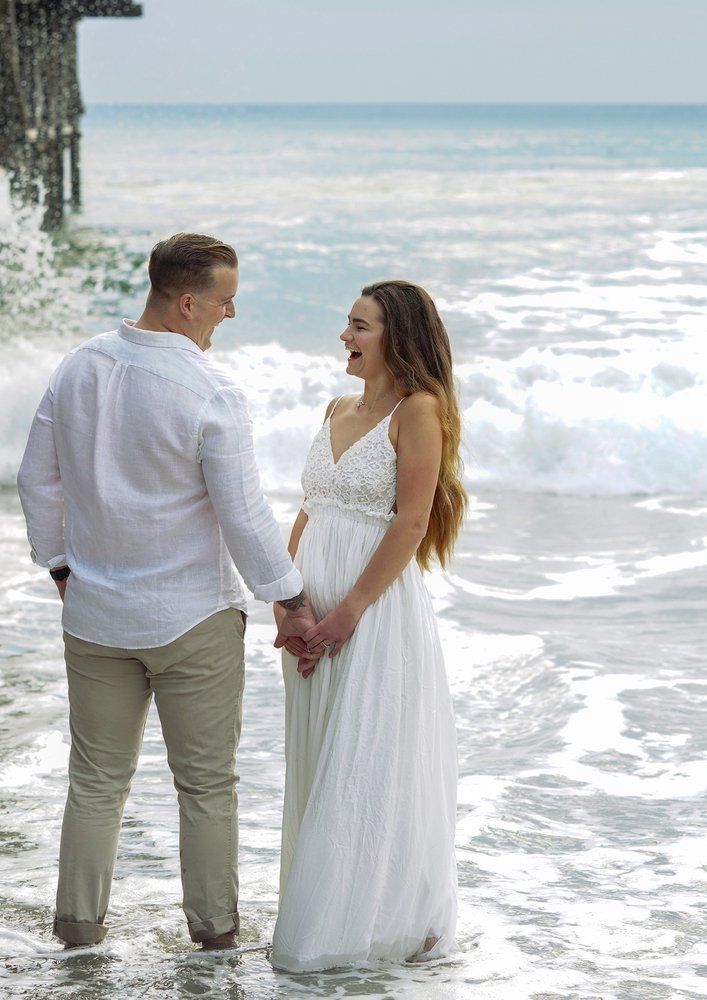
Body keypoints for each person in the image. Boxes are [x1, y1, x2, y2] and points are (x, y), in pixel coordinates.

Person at [16, 233, 317, 953]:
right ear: (188, 303)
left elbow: (36, 480)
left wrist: (60, 567)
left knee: (94, 783)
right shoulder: (211, 392)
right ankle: (214, 941)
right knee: (206, 788)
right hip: (192, 620)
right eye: (224, 300)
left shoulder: (78, 367)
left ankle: (79, 935)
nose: (232, 313)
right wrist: (291, 599)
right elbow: (244, 517)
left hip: (93, 615)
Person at [270, 280, 467, 972]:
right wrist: (285, 602)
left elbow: (411, 523)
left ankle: (363, 931)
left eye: (360, 326)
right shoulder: (336, 407)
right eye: (347, 325)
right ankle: (323, 911)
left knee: (366, 763)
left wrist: (347, 612)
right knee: (321, 763)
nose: (346, 337)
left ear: (397, 336)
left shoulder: (419, 410)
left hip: (372, 612)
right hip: (311, 615)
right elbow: (308, 509)